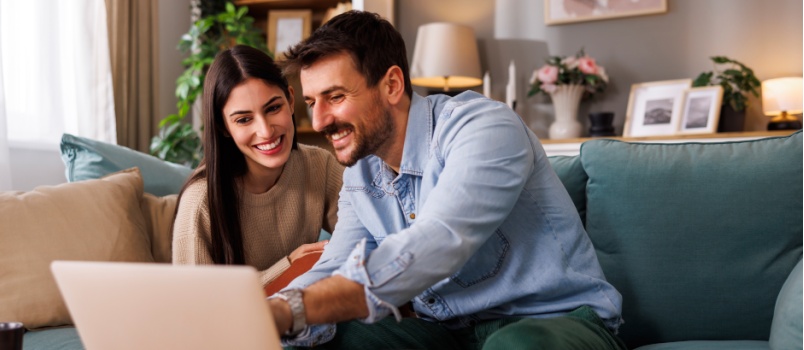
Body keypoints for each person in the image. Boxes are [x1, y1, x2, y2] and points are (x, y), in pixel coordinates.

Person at [267, 11, 626, 350]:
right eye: (312, 102)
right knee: (335, 337)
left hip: (556, 322)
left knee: (514, 346)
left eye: (336, 97)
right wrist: (269, 313)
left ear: (392, 84)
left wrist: (294, 308)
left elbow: (440, 241)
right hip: (448, 334)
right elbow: (335, 267)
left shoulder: (484, 128)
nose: (318, 122)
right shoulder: (361, 175)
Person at [171, 45, 343, 288]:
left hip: (307, 318)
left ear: (291, 100)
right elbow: (194, 304)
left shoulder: (319, 165)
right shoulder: (200, 201)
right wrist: (290, 267)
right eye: (243, 120)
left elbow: (369, 239)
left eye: (273, 108)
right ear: (223, 127)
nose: (265, 131)